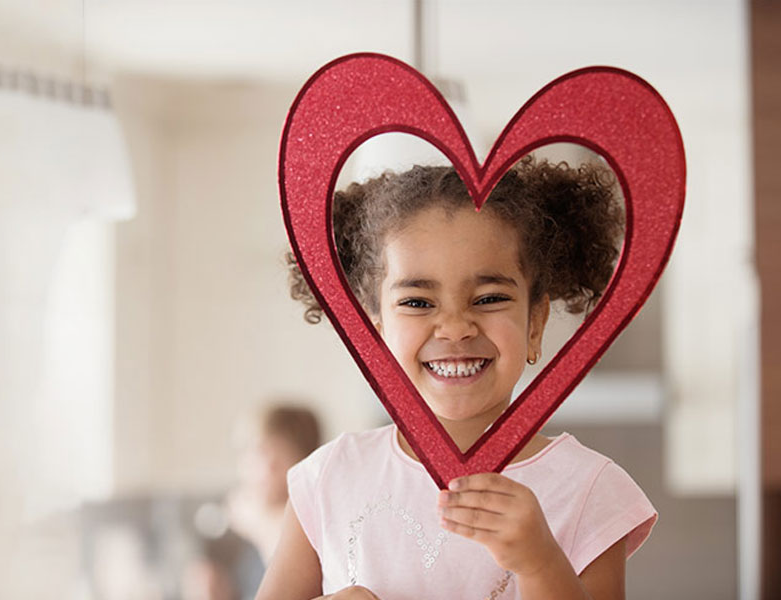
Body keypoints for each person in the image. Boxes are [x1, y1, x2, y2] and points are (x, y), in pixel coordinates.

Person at [257, 157, 657, 600]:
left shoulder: (588, 489)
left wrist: (540, 562)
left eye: (488, 298)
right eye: (417, 303)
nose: (454, 327)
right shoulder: (328, 478)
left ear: (535, 325)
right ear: (373, 330)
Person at [228, 404, 322, 564]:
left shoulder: (309, 527)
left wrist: (259, 525)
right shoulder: (246, 523)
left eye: (263, 452)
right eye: (248, 454)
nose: (249, 468)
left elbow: (290, 586)